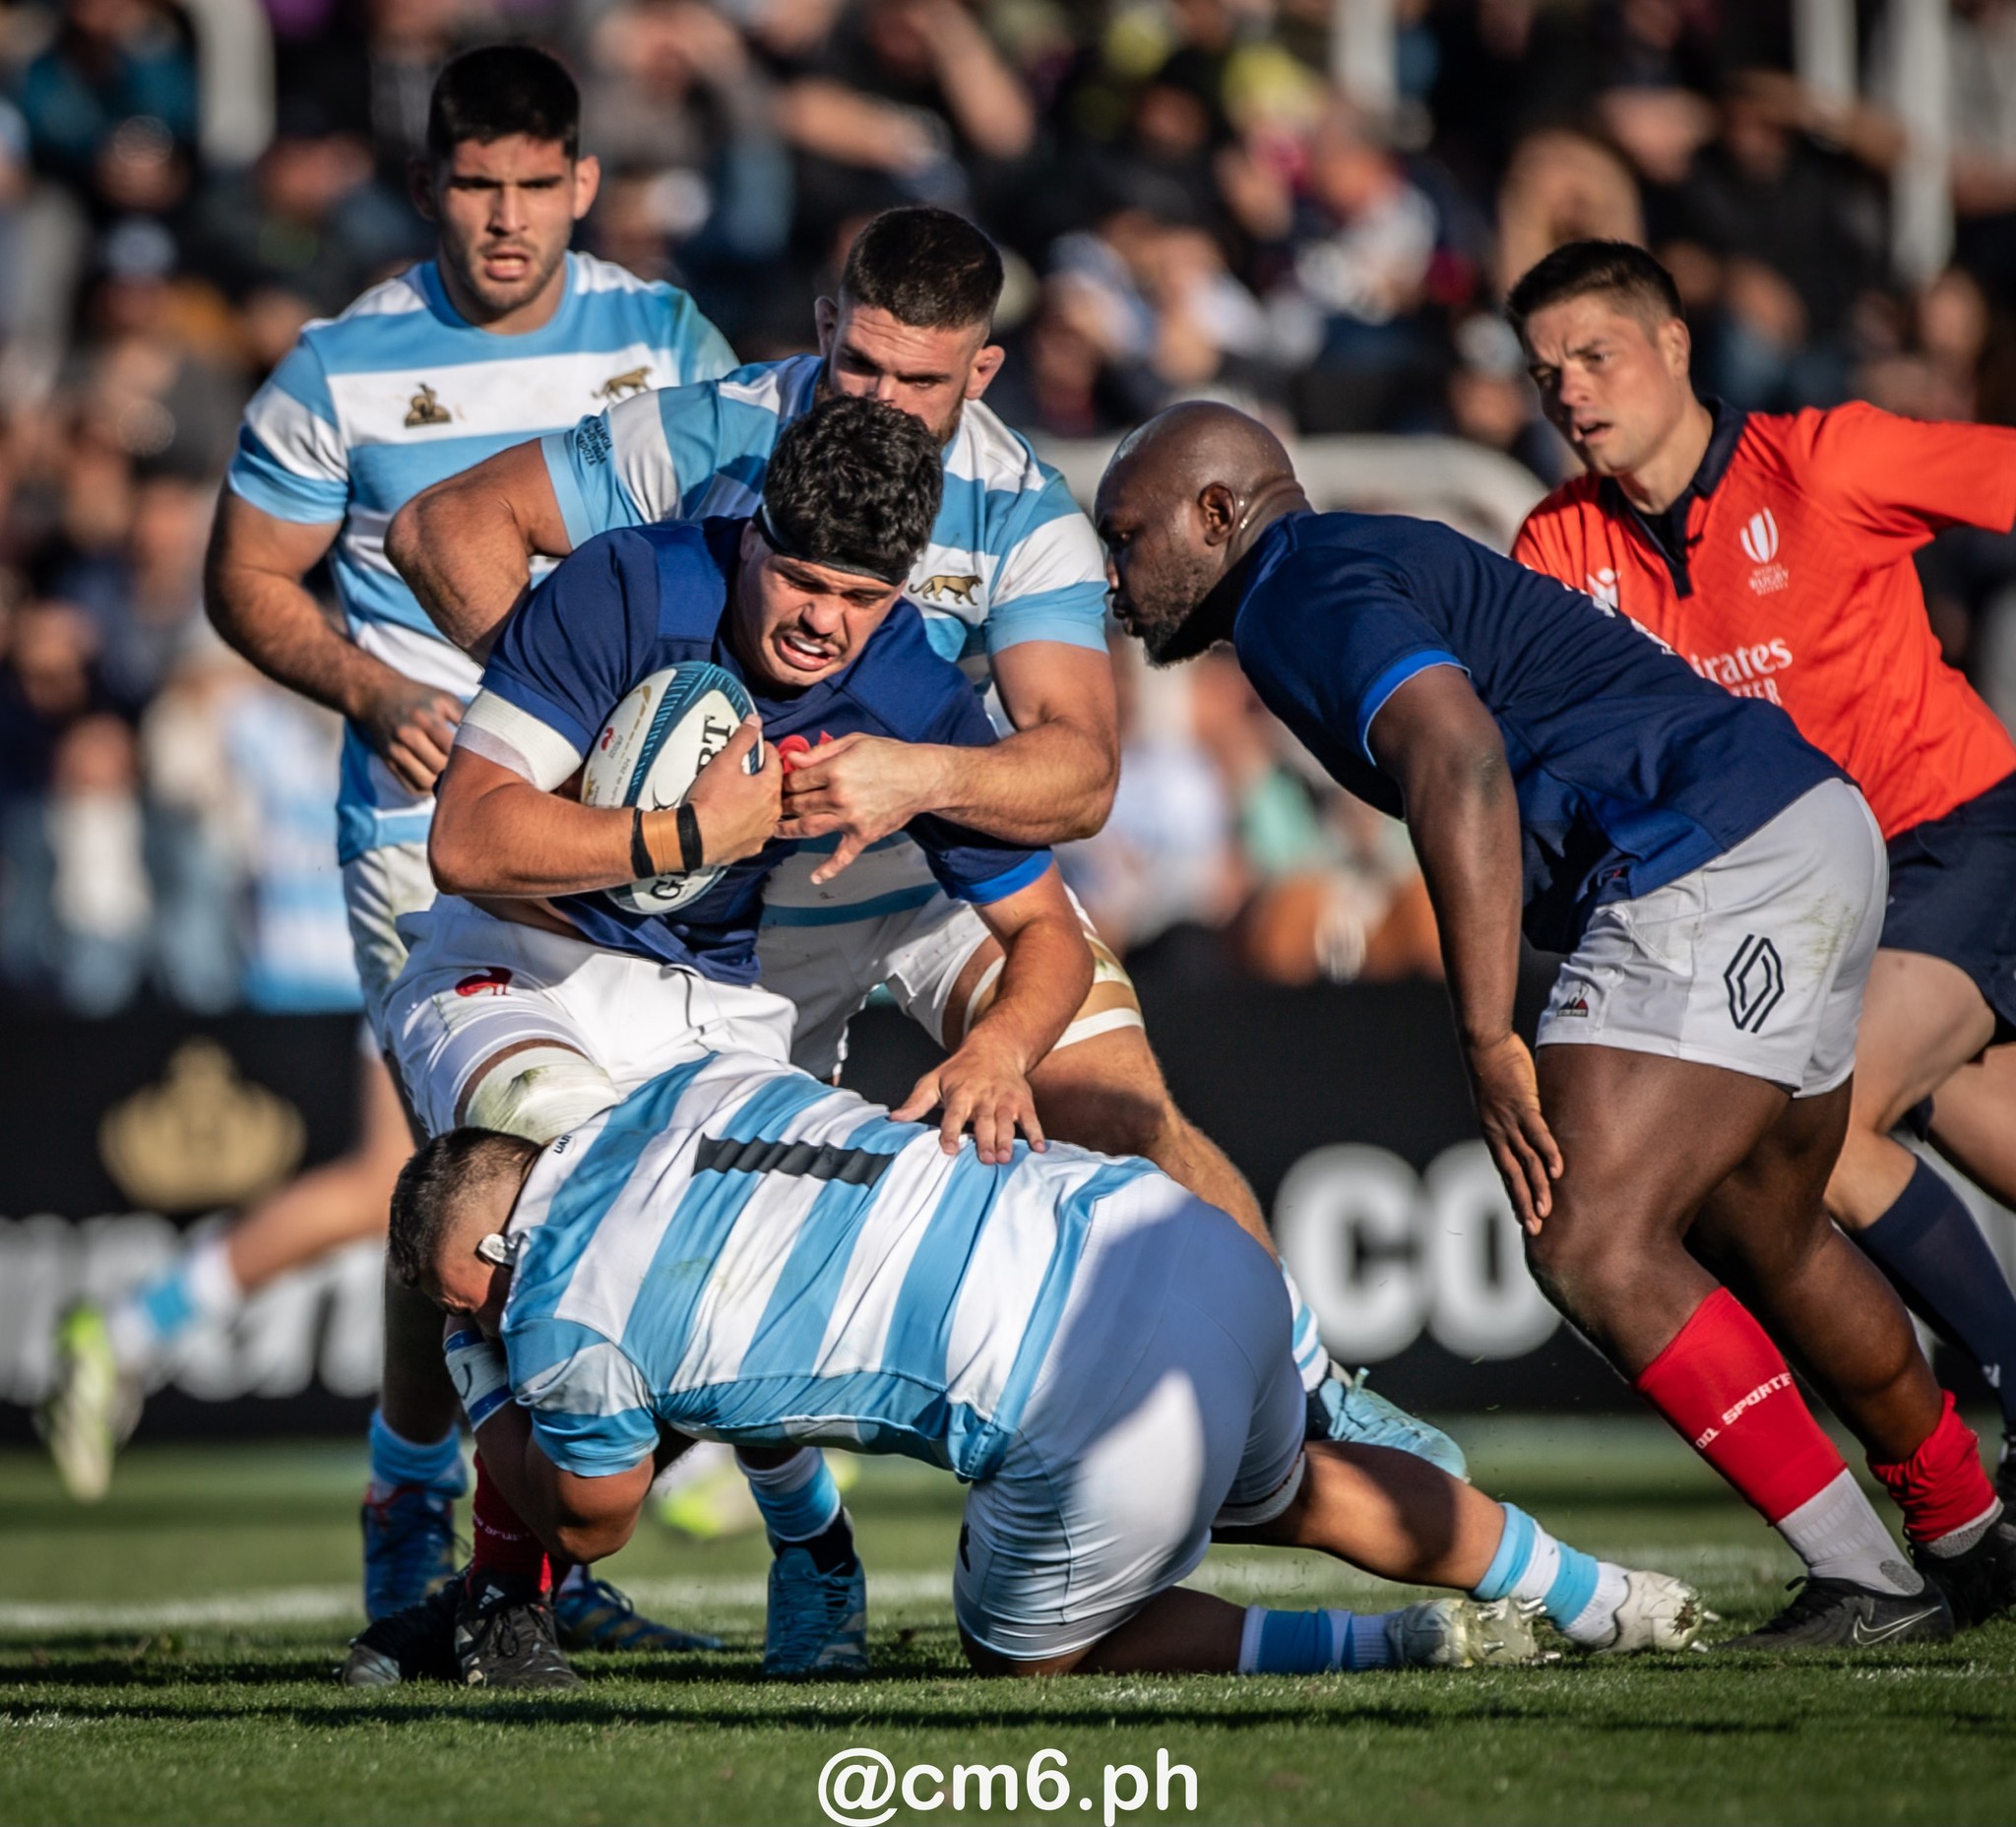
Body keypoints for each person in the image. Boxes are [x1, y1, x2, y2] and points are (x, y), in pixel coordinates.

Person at [385, 215, 1464, 1511]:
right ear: (827, 331)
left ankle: (1305, 1390)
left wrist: (921, 778)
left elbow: (1079, 774)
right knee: (528, 1197)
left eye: (923, 381)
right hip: (702, 897)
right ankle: (467, 1538)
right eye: (861, 370)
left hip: (906, 850)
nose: (886, 403)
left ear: (986, 375)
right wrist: (612, 738)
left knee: (1125, 1111)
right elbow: (449, 527)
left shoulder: (1021, 513)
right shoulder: (717, 424)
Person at [1093, 401, 2016, 1649]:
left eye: (1125, 536)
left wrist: (1485, 1037)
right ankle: (1963, 1529)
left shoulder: (1288, 589)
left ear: (1216, 513)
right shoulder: (1356, 553)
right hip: (1804, 819)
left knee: (1585, 1233)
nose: (1113, 578)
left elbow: (1457, 763)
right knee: (1771, 1225)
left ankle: (1870, 1579)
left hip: (1704, 850)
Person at [41, 45, 738, 1657]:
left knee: (566, 1191)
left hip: (619, 831)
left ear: (580, 183)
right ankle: (473, 1568)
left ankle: (464, 1545)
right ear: (432, 190)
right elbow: (248, 581)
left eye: (533, 187)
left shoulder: (660, 337)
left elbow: (725, 543)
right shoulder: (340, 369)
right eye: (473, 188)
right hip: (421, 845)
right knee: (489, 1189)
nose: (504, 221)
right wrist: (363, 682)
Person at [355, 395, 1098, 1686]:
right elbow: (469, 842)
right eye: (801, 578)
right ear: (750, 537)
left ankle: (803, 1548)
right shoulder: (628, 584)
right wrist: (691, 835)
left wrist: (1000, 1051)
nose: (823, 618)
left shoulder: (908, 681)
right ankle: (504, 1599)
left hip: (709, 1006)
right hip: (509, 958)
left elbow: (1052, 939)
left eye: (860, 596)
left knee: (746, 1269)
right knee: (548, 1148)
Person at [362, 1052, 1709, 1687]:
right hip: (1169, 1230)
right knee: (1290, 1490)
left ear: (490, 1244)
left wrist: (486, 1389)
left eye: (454, 1302)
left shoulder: (556, 1308)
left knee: (1023, 1658)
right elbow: (739, 1344)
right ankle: (1609, 1596)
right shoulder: (683, 1086)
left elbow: (592, 1515)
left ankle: (1385, 1646)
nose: (465, 1324)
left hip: (1084, 1389)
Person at [1506, 239, 2016, 1502]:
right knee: (1916, 1124)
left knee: (1830, 1136)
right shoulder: (1556, 546)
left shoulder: (1824, 458)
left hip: (1948, 833)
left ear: (1675, 346)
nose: (1567, 390)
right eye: (1541, 371)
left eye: (1593, 354)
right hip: (1795, 901)